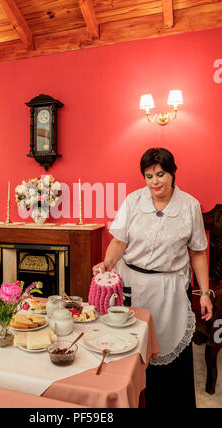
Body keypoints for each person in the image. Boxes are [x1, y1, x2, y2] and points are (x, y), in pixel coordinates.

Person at [93, 147, 213, 408]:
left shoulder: (190, 206)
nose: (155, 182)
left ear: (172, 174)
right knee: (128, 352)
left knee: (170, 353)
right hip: (131, 286)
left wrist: (204, 293)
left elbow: (198, 253)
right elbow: (118, 242)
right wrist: (108, 262)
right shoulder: (133, 201)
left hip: (169, 289)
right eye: (148, 176)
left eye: (160, 174)